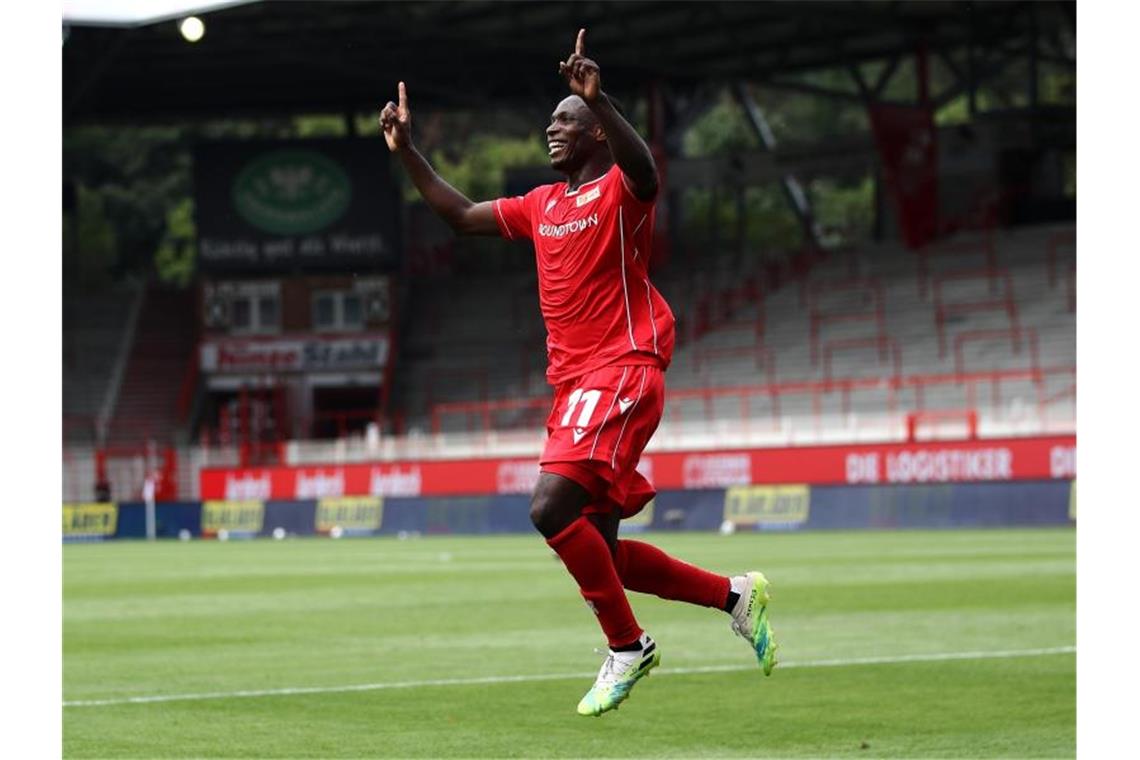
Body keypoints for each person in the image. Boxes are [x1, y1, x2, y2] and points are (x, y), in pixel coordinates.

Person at [379, 29, 777, 717]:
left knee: (549, 508)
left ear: (595, 133)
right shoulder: (541, 205)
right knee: (604, 555)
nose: (551, 128)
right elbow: (460, 215)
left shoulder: (622, 192)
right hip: (575, 387)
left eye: (567, 120)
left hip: (620, 372)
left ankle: (628, 647)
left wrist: (604, 101)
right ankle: (736, 595)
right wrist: (409, 152)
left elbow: (647, 170)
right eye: (554, 119)